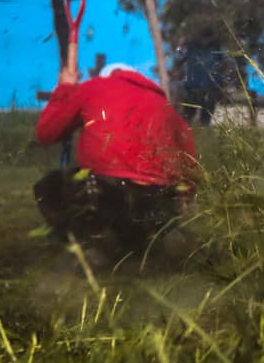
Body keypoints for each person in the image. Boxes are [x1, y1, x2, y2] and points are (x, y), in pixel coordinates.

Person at [33, 62, 199, 266]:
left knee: (48, 187)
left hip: (105, 193)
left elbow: (46, 133)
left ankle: (89, 244)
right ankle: (161, 234)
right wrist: (185, 197)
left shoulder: (94, 88)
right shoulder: (163, 105)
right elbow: (189, 161)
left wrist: (65, 88)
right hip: (157, 197)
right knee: (145, 222)